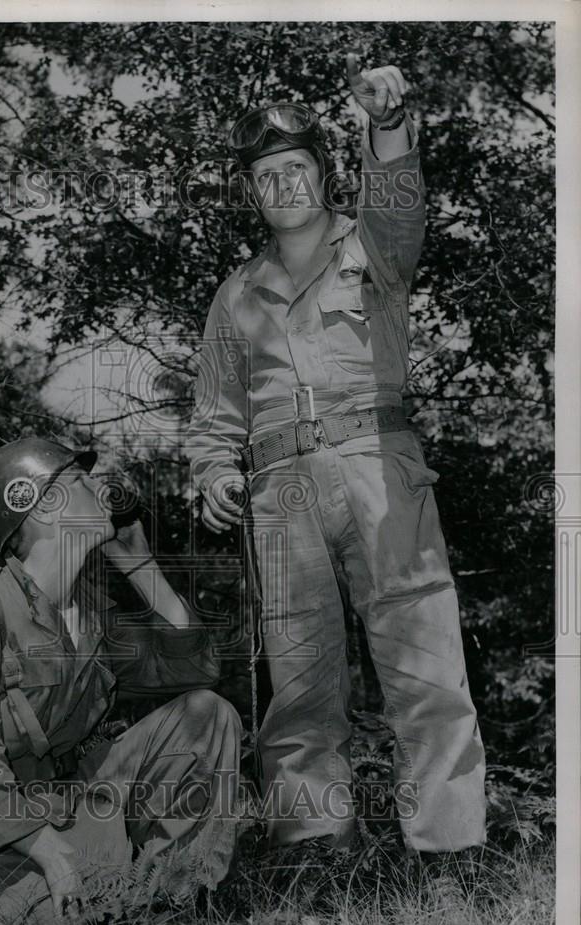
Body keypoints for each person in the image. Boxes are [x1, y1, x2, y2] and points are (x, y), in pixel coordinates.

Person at [186, 54, 486, 860]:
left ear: (323, 176)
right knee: (302, 684)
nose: (283, 185)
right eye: (266, 175)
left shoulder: (374, 251)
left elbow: (398, 206)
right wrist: (215, 474)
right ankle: (317, 851)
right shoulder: (235, 294)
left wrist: (386, 128)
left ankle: (451, 856)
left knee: (424, 670)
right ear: (251, 193)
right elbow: (214, 417)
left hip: (380, 474)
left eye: (297, 168)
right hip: (281, 495)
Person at [0, 437, 241, 925]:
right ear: (39, 508)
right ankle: (97, 898)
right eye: (80, 481)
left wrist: (141, 569)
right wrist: (53, 855)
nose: (102, 490)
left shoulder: (88, 614)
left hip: (67, 802)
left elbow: (195, 671)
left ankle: (175, 905)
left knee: (208, 714)